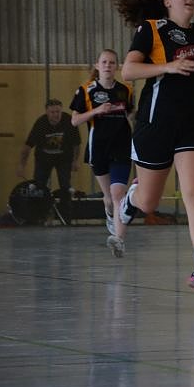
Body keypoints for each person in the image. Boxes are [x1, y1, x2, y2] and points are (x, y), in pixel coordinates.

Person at [109, 0, 194, 290]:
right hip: (156, 121)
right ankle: (129, 201)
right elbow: (129, 71)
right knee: (148, 203)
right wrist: (167, 67)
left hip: (193, 121)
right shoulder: (151, 29)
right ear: (167, 2)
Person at [69, 49, 134, 257]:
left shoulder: (126, 90)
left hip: (122, 147)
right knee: (108, 198)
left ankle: (119, 240)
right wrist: (97, 111)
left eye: (112, 62)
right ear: (97, 65)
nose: (108, 65)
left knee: (118, 194)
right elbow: (75, 120)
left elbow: (131, 115)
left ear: (116, 67)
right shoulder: (85, 91)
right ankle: (109, 213)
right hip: (98, 149)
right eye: (104, 62)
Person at [17, 99, 81, 223]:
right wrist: (21, 165)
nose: (55, 115)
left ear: (61, 110)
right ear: (47, 112)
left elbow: (76, 144)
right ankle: (37, 217)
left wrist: (75, 161)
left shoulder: (69, 121)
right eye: (52, 112)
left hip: (64, 158)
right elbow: (27, 146)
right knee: (39, 187)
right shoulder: (40, 123)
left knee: (65, 187)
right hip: (44, 158)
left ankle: (66, 219)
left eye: (58, 111)